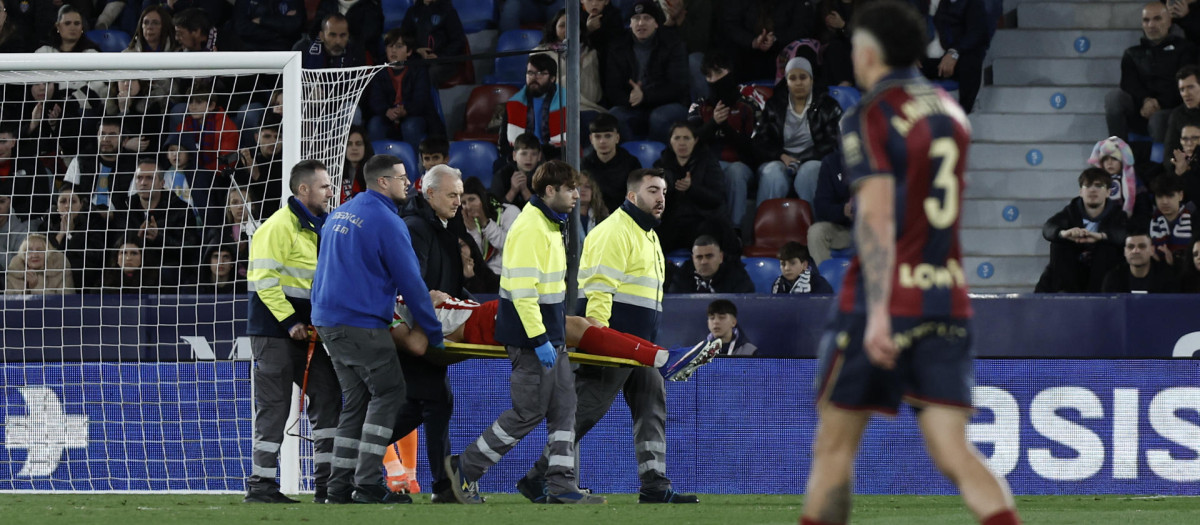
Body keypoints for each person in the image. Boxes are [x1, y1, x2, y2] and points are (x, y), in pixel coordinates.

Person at [802, 4, 1021, 525]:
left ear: (871, 50)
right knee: (954, 452)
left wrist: (879, 312)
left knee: (834, 450)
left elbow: (876, 218)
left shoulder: (872, 112)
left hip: (882, 300)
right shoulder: (951, 111)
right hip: (945, 294)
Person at [520, 168, 704, 505]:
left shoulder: (647, 233)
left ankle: (654, 486)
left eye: (663, 191)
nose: (661, 197)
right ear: (632, 196)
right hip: (614, 344)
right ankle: (538, 476)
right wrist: (598, 336)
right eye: (652, 191)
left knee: (652, 408)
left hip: (642, 347)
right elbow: (599, 290)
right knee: (585, 411)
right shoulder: (614, 231)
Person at [444, 161, 603, 505]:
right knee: (527, 413)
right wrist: (540, 339)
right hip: (534, 341)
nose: (577, 195)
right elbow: (522, 291)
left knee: (564, 410)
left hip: (550, 337)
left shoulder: (547, 223)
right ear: (550, 192)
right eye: (570, 189)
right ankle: (464, 469)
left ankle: (561, 486)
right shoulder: (532, 228)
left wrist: (551, 338)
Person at [311, 154, 443, 504]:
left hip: (328, 322)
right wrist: (434, 332)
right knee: (390, 393)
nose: (408, 183)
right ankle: (367, 482)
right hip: (359, 323)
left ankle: (338, 487)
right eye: (402, 177)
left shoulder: (340, 213)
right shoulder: (386, 221)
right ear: (383, 182)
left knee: (356, 402)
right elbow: (411, 283)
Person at [243, 160, 340, 504]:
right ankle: (261, 485)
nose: (330, 191)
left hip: (307, 332)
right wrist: (290, 321)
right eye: (325, 186)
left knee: (328, 397)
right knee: (275, 406)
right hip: (275, 332)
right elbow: (264, 283)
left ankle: (328, 485)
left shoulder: (321, 226)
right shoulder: (278, 227)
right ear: (303, 190)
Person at [394, 163, 473, 503]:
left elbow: (449, 283)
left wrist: (466, 304)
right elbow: (415, 286)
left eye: (460, 195)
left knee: (424, 404)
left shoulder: (439, 227)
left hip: (425, 328)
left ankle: (350, 454)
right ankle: (444, 488)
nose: (459, 202)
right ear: (430, 194)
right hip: (414, 330)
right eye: (452, 195)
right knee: (432, 402)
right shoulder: (416, 228)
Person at [687, 53, 765, 227]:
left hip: (742, 166)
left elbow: (755, 150)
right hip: (710, 163)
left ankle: (734, 229)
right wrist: (713, 123)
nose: (713, 79)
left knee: (735, 172)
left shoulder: (749, 105)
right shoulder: (699, 106)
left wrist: (726, 128)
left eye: (717, 72)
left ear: (730, 72)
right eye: (708, 75)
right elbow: (689, 143)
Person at [753, 56, 843, 206]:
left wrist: (802, 159)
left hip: (814, 159)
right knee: (772, 173)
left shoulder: (828, 106)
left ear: (811, 80)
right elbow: (759, 141)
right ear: (787, 82)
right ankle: (766, 226)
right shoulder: (774, 106)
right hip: (780, 160)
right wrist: (781, 156)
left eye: (803, 77)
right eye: (792, 78)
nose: (798, 82)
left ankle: (816, 226)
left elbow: (833, 142)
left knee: (809, 171)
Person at [1106, 2, 1196, 143]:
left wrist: (1159, 103)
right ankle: (1118, 153)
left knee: (1158, 119)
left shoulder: (1185, 49)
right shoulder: (1132, 53)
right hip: (1142, 110)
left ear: (1169, 21)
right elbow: (1129, 84)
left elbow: (1183, 84)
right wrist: (1146, 101)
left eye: (1157, 19)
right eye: (1146, 20)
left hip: (1170, 110)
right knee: (1114, 98)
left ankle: (1166, 163)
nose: (1151, 25)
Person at [605, 0, 689, 143]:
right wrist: (629, 98)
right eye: (636, 19)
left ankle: (659, 160)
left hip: (667, 103)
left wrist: (644, 96)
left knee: (659, 118)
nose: (641, 23)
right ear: (630, 24)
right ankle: (632, 158)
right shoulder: (617, 48)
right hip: (632, 105)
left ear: (656, 23)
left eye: (647, 18)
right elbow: (612, 87)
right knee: (614, 116)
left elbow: (677, 87)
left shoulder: (673, 45)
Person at [1034, 168, 1129, 293]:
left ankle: (1097, 300)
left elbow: (1124, 235)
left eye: (1098, 186)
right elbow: (1048, 228)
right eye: (1088, 185)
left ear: (1108, 192)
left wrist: (1100, 236)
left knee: (1107, 247)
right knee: (1059, 244)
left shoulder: (1118, 214)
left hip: (1104, 275)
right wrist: (1064, 233)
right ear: (1080, 192)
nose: (1092, 190)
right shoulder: (1071, 211)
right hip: (1074, 271)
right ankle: (1067, 296)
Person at [653, 122, 732, 254]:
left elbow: (717, 198)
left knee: (711, 231)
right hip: (673, 222)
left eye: (686, 138)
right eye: (677, 138)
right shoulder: (661, 164)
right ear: (670, 141)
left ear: (695, 140)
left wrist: (691, 189)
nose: (682, 143)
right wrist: (668, 188)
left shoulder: (708, 162)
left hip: (701, 220)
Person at [367, 29, 443, 150]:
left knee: (410, 126)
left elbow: (421, 99)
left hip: (415, 115)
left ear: (409, 51)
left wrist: (405, 110)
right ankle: (377, 164)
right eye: (390, 46)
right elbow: (375, 99)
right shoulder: (379, 71)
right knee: (375, 125)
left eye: (399, 46)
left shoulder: (419, 69)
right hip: (388, 116)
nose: (393, 50)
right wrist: (387, 111)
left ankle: (412, 164)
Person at [918, 0, 992, 114]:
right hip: (945, 58)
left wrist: (954, 52)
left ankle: (964, 113)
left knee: (971, 61)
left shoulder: (974, 3)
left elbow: (977, 33)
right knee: (911, 65)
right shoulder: (944, 3)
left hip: (965, 57)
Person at [499, 54, 567, 163]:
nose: (534, 77)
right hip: (523, 155)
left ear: (552, 78)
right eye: (530, 73)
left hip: (555, 155)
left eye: (541, 73)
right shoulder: (514, 103)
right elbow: (504, 143)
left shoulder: (566, 101)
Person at [399, 0, 468, 87]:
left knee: (427, 73)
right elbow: (405, 37)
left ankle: (425, 99)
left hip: (444, 62)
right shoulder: (412, 11)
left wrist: (439, 56)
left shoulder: (448, 11)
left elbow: (458, 41)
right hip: (418, 58)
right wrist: (417, 49)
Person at [581, 113, 642, 212]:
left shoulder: (631, 163)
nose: (602, 141)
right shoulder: (584, 165)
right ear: (591, 139)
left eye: (608, 136)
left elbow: (637, 197)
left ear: (617, 138)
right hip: (593, 217)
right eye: (597, 137)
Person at [461, 176, 520, 275]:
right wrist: (473, 231)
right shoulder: (469, 221)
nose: (468, 206)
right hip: (485, 276)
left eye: (472, 199)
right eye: (463, 202)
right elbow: (477, 259)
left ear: (483, 197)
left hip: (509, 274)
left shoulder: (510, 212)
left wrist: (485, 223)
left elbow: (510, 247)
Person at [807, 150, 853, 265]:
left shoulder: (883, 157)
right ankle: (826, 280)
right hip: (845, 230)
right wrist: (843, 210)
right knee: (816, 232)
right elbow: (821, 207)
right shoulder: (832, 162)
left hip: (879, 228)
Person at [667, 234, 755, 293]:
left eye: (709, 256)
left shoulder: (736, 275)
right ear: (693, 259)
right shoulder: (683, 275)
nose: (704, 262)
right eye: (699, 257)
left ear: (720, 257)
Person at [1102, 229, 1182, 293]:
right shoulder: (1113, 277)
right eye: (1130, 247)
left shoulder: (1166, 276)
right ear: (1124, 252)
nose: (1136, 251)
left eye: (1142, 246)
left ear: (1152, 250)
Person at [5, 233, 74, 295]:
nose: (34, 255)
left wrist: (35, 287)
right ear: (23, 255)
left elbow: (66, 301)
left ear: (48, 254)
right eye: (30, 250)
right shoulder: (15, 269)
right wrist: (28, 289)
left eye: (40, 250)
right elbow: (10, 303)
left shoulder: (59, 267)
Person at [1148, 174, 1193, 269]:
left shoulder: (1194, 220)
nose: (1164, 201)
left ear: (1180, 195)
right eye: (1160, 196)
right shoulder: (1148, 221)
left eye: (1170, 196)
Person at [1087, 136, 1137, 217]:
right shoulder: (1094, 183)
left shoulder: (1136, 185)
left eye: (1114, 158)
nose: (1109, 163)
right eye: (1105, 159)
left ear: (1122, 161)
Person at [492, 132, 543, 208]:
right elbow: (495, 211)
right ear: (514, 155)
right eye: (524, 154)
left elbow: (545, 212)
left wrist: (525, 190)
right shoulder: (502, 176)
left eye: (534, 154)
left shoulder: (544, 177)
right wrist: (513, 191)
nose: (529, 158)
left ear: (539, 156)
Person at [299, 13, 366, 70]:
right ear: (321, 36)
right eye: (332, 35)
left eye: (343, 35)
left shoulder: (356, 53)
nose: (338, 41)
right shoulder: (302, 51)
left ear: (348, 36)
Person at [232, 0, 305, 52]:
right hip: (251, 49)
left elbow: (293, 25)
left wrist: (262, 20)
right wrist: (279, 31)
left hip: (282, 51)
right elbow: (241, 27)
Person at [1163, 65, 1200, 165]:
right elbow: (1169, 152)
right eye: (1182, 89)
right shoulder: (1177, 115)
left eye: (1190, 87)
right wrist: (1177, 168)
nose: (1186, 94)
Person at [101, 238, 166, 293]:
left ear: (143, 257)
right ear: (116, 257)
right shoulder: (104, 281)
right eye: (123, 253)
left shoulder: (156, 283)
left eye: (134, 253)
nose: (128, 258)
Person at [339, 126, 373, 203]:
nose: (354, 148)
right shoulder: (335, 172)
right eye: (349, 144)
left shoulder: (374, 172)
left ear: (365, 147)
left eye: (358, 144)